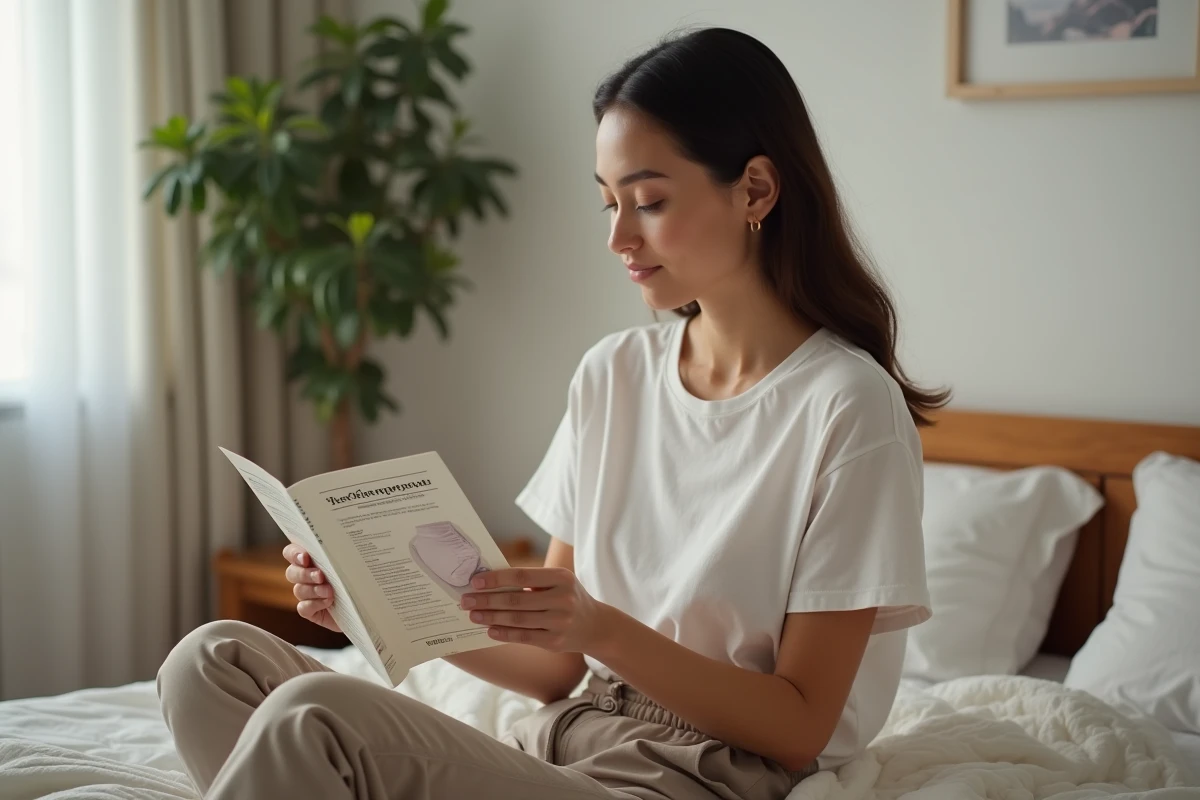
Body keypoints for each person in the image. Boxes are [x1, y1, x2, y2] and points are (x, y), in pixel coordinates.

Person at [156, 26, 947, 800]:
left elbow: (802, 725)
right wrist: (372, 599)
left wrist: (603, 630)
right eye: (607, 203)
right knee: (210, 660)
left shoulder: (847, 407)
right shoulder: (613, 375)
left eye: (649, 201)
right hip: (560, 746)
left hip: (694, 777)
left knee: (312, 715)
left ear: (757, 189)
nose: (619, 238)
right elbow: (550, 665)